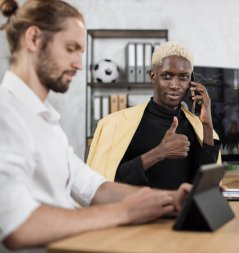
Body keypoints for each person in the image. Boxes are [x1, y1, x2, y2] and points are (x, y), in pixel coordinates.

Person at [0, 1, 191, 251]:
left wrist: (172, 199)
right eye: (71, 49)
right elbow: (18, 226)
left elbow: (95, 188)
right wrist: (124, 212)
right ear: (34, 39)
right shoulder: (6, 113)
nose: (80, 64)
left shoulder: (47, 121)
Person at [87, 41, 221, 190]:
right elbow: (105, 183)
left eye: (183, 77)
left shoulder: (198, 128)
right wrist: (160, 152)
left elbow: (205, 186)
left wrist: (207, 126)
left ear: (191, 81)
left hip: (182, 212)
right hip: (138, 211)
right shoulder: (116, 125)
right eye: (167, 76)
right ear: (152, 76)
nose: (175, 85)